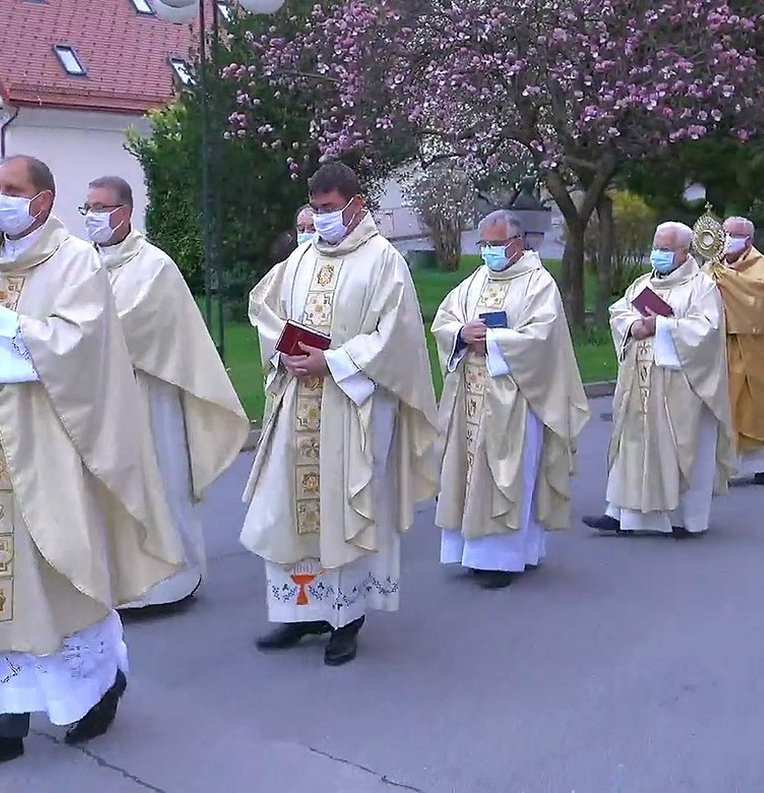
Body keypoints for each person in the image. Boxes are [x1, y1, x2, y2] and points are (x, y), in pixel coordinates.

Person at [0, 156, 183, 784]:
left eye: (13, 191)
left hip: (47, 450)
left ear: (43, 200)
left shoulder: (73, 261)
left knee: (58, 577)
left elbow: (83, 349)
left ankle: (97, 686)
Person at [242, 161, 439, 666]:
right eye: (316, 209)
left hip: (353, 406)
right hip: (299, 401)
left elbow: (394, 337)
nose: (322, 218)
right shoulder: (304, 257)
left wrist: (331, 361)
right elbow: (263, 305)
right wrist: (283, 349)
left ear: (357, 205)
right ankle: (300, 612)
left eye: (330, 209)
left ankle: (346, 620)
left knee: (344, 506)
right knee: (294, 505)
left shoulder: (383, 261)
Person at [83, 175, 250, 607]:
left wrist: (73, 338)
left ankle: (173, 579)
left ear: (125, 212)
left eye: (101, 208)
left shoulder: (153, 266)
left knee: (159, 482)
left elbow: (134, 327)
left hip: (147, 397)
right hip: (101, 400)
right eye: (88, 209)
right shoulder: (82, 266)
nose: (93, 218)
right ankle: (120, 583)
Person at [431, 211, 589, 588]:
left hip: (516, 399)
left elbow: (543, 338)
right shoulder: (475, 281)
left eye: (495, 245)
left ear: (517, 244)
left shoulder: (538, 284)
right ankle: (470, 553)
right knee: (469, 475)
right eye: (484, 244)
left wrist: (496, 342)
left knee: (508, 476)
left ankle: (504, 558)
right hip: (470, 391)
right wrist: (460, 332)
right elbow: (445, 319)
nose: (488, 252)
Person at [584, 222, 736, 539]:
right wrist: (633, 327)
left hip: (679, 386)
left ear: (684, 252)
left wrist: (663, 327)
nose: (658, 254)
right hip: (639, 381)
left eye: (665, 249)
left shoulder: (701, 287)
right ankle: (622, 514)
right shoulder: (642, 283)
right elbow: (620, 312)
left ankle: (681, 518)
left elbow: (707, 331)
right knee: (632, 444)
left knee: (677, 446)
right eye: (656, 247)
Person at [706, 216, 764, 484]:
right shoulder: (712, 266)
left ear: (749, 240)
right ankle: (724, 465)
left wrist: (727, 282)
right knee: (724, 406)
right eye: (724, 234)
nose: (727, 240)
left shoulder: (762, 268)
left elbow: (756, 304)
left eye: (734, 235)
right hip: (720, 346)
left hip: (754, 349)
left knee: (756, 407)